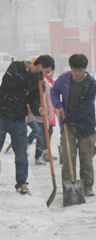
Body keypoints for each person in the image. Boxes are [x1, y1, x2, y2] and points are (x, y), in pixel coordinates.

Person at [0, 54, 55, 194]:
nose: (46, 75)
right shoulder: (16, 67)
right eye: (46, 72)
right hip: (2, 114)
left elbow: (34, 99)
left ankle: (22, 183)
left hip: (19, 118)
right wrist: (34, 77)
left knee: (21, 154)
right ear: (39, 66)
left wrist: (38, 108)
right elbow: (12, 83)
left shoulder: (38, 81)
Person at [51, 54, 96, 197]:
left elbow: (87, 106)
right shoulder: (64, 79)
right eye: (75, 70)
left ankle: (87, 185)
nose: (77, 73)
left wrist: (69, 117)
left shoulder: (91, 83)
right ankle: (69, 184)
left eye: (80, 70)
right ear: (70, 68)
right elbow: (53, 91)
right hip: (67, 126)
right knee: (68, 157)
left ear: (85, 69)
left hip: (86, 124)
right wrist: (58, 105)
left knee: (86, 157)